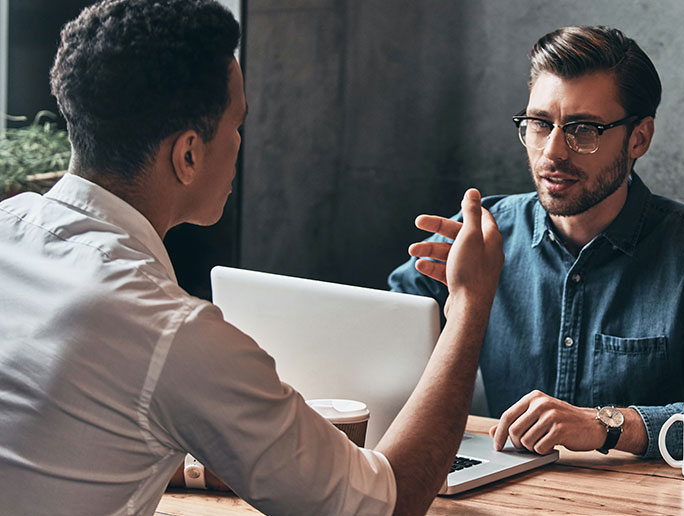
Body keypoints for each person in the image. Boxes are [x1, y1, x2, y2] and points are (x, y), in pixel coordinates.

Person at [0, 1, 503, 515]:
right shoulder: (170, 332)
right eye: (237, 124)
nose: (241, 142)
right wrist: (468, 304)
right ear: (189, 155)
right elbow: (384, 503)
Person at [389, 26, 684, 460]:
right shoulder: (481, 236)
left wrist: (607, 426)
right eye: (538, 124)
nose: (553, 152)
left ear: (639, 138)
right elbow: (376, 342)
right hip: (499, 495)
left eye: (584, 129)